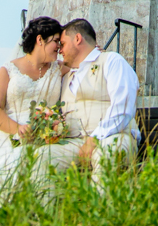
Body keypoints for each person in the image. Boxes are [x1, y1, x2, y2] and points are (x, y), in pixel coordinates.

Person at [32, 18, 140, 190]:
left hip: (115, 137)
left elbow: (123, 106)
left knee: (106, 155)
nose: (60, 51)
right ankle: (51, 214)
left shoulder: (111, 61)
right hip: (76, 143)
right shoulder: (65, 76)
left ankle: (101, 214)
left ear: (78, 39)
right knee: (42, 156)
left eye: (63, 44)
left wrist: (94, 139)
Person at [0, 16, 65, 187]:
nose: (59, 48)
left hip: (46, 137)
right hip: (9, 134)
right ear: (40, 40)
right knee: (13, 162)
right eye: (56, 41)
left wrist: (97, 53)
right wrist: (18, 129)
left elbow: (85, 66)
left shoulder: (59, 68)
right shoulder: (8, 70)